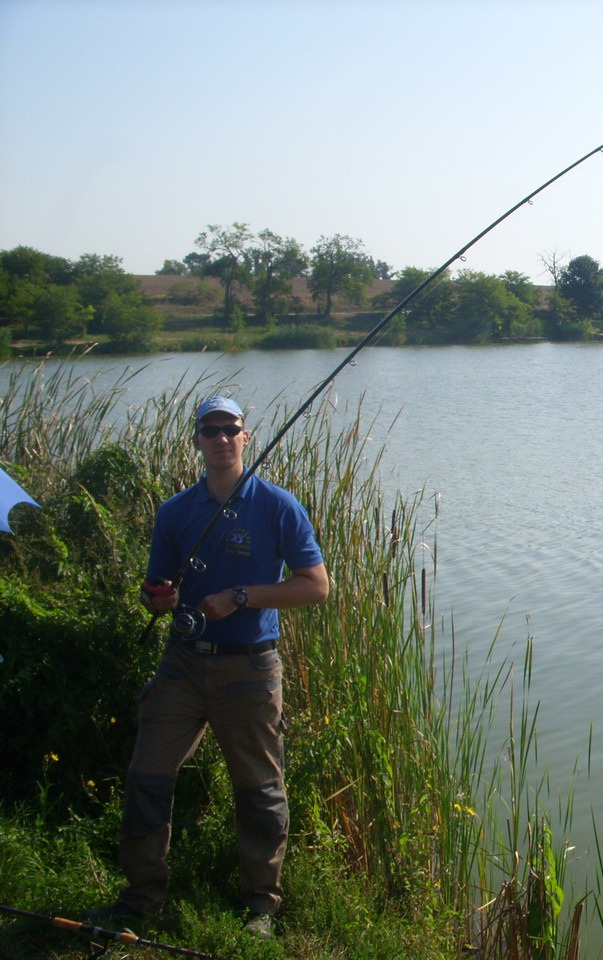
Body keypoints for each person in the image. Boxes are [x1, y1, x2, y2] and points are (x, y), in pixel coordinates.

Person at [91, 396, 328, 940]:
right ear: (196, 441)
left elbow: (315, 587)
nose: (221, 439)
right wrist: (158, 598)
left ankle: (261, 907)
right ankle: (141, 895)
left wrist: (240, 597)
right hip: (182, 665)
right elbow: (156, 595)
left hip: (249, 669)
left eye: (231, 429)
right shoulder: (175, 512)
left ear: (246, 437)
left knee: (259, 789)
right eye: (210, 430)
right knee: (146, 777)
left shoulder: (277, 506)